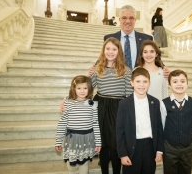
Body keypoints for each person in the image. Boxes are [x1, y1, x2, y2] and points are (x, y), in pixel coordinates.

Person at [89, 5, 170, 78]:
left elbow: (154, 58)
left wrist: (163, 68)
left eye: (131, 18)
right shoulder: (109, 38)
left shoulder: (147, 38)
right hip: (117, 82)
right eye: (124, 18)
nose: (128, 21)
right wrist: (95, 68)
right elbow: (104, 57)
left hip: (140, 83)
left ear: (135, 20)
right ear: (119, 20)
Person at [91, 37, 133, 174]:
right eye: (107, 48)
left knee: (116, 144)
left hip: (118, 108)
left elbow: (129, 95)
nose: (110, 52)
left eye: (114, 49)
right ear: (103, 50)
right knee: (103, 143)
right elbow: (87, 89)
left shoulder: (126, 71)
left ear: (119, 51)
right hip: (101, 108)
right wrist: (68, 99)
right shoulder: (97, 69)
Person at [116, 67, 164, 174]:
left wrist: (159, 150)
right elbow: (120, 131)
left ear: (149, 83)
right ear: (132, 83)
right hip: (132, 147)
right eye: (138, 81)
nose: (141, 85)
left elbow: (159, 128)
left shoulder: (155, 102)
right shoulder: (124, 104)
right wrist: (122, 154)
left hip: (150, 147)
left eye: (145, 81)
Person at [55, 75, 101, 174]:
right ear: (74, 89)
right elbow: (62, 123)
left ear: (89, 89)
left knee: (84, 164)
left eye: (85, 88)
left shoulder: (92, 104)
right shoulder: (68, 103)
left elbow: (95, 124)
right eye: (79, 88)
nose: (82, 91)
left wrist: (98, 142)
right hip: (72, 139)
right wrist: (58, 141)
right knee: (71, 166)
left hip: (87, 139)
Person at [160, 70, 192, 174]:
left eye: (182, 81)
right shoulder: (164, 103)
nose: (179, 84)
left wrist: (186, 136)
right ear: (169, 85)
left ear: (187, 84)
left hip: (187, 148)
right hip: (170, 148)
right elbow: (162, 125)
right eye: (175, 81)